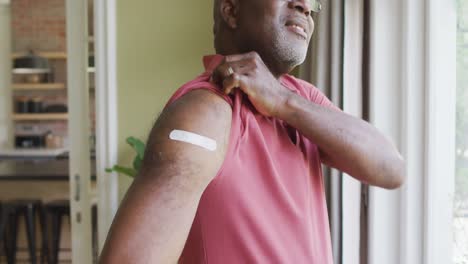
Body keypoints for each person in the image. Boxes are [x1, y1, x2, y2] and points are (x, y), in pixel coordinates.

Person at [99, 0, 405, 263]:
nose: (304, 6)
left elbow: (390, 168)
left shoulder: (300, 100)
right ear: (231, 11)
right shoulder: (205, 112)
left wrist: (283, 101)